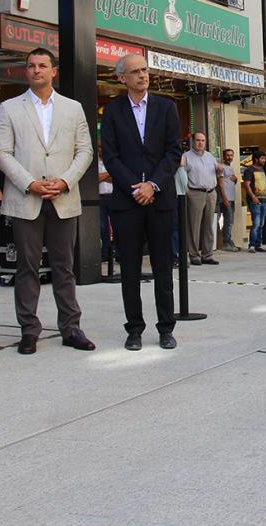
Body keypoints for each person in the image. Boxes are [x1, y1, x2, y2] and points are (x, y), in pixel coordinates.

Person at [0, 48, 96, 355]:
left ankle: (71, 327)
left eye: (42, 65)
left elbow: (85, 151)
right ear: (26, 72)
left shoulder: (73, 108)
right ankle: (29, 330)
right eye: (31, 66)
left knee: (65, 267)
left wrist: (64, 181)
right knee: (26, 268)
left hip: (63, 197)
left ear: (54, 71)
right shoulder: (10, 108)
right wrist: (30, 183)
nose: (36, 70)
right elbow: (1, 154)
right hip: (27, 198)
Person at [101, 53, 182, 351]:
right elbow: (110, 156)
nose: (142, 75)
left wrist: (153, 185)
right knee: (130, 270)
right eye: (135, 71)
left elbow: (173, 152)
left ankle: (165, 329)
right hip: (127, 202)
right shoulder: (112, 112)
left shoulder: (166, 107)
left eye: (145, 70)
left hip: (160, 200)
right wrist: (136, 188)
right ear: (122, 78)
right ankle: (134, 328)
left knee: (163, 267)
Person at [182, 132, 222, 266]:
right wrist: (187, 191)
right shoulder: (186, 157)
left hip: (211, 192)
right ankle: (194, 255)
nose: (201, 143)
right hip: (195, 193)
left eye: (203, 140)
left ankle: (207, 254)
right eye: (198, 140)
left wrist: (220, 170)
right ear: (193, 141)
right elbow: (181, 175)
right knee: (194, 225)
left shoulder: (210, 156)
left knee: (209, 225)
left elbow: (218, 172)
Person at [242, 150, 266, 252]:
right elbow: (247, 185)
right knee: (256, 223)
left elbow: (265, 184)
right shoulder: (249, 170)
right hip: (255, 200)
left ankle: (259, 244)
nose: (264, 160)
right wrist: (253, 197)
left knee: (261, 224)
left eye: (264, 159)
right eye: (262, 158)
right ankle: (252, 245)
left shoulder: (262, 170)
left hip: (263, 199)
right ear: (256, 159)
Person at [217, 148, 241, 252]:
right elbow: (220, 184)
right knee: (227, 220)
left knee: (230, 221)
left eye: (231, 155)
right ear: (223, 156)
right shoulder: (221, 167)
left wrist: (235, 179)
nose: (229, 157)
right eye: (227, 155)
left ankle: (228, 240)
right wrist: (224, 198)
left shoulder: (231, 167)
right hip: (224, 198)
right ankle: (226, 242)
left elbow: (230, 182)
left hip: (231, 198)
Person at [98, 156, 114, 260]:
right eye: (99, 147)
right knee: (102, 226)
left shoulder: (112, 160)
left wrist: (102, 177)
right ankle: (105, 253)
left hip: (113, 196)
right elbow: (95, 178)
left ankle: (118, 253)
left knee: (117, 225)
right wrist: (110, 173)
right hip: (99, 198)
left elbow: (117, 177)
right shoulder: (95, 163)